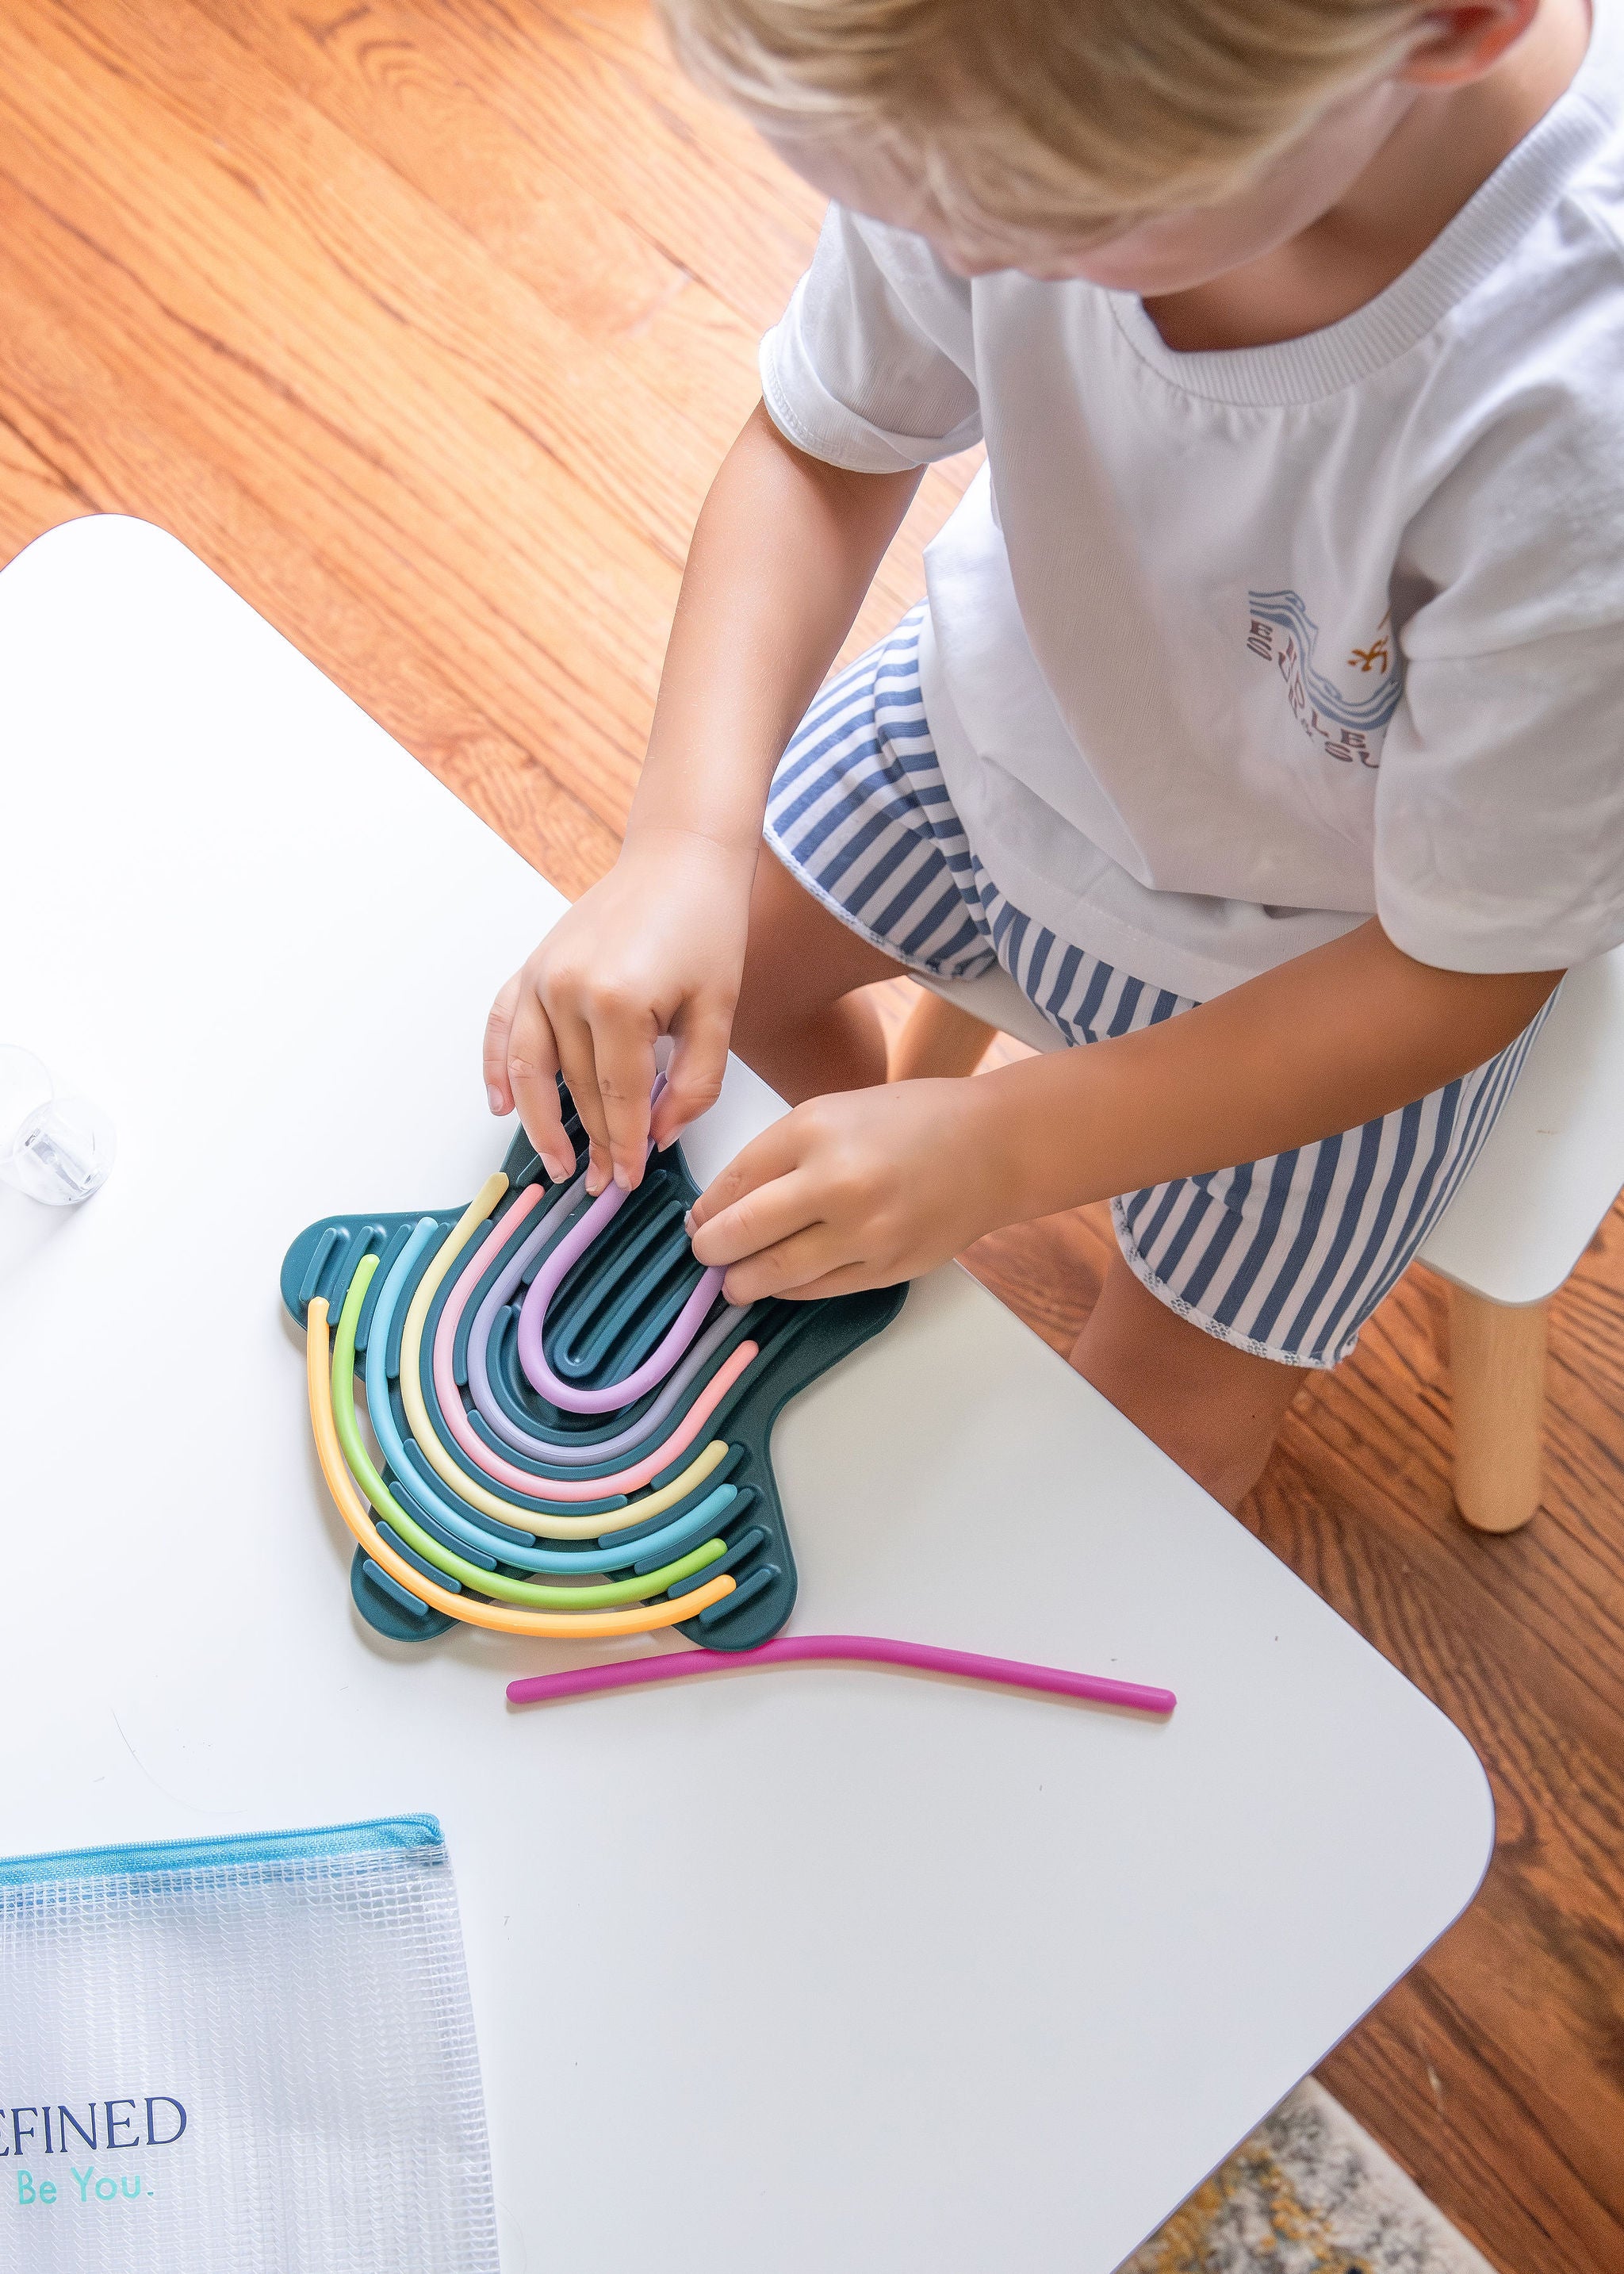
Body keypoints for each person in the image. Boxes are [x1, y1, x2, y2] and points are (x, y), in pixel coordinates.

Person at [485, 0, 1622, 1508]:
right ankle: (864, 1213)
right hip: (988, 732)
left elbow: (1463, 972)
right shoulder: (982, 103)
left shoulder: (1576, 431)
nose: (953, 253)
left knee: (1153, 1453)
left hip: (1336, 968)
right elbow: (823, 448)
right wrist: (679, 849)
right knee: (659, 1037)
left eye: (1044, 234)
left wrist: (1003, 1151)